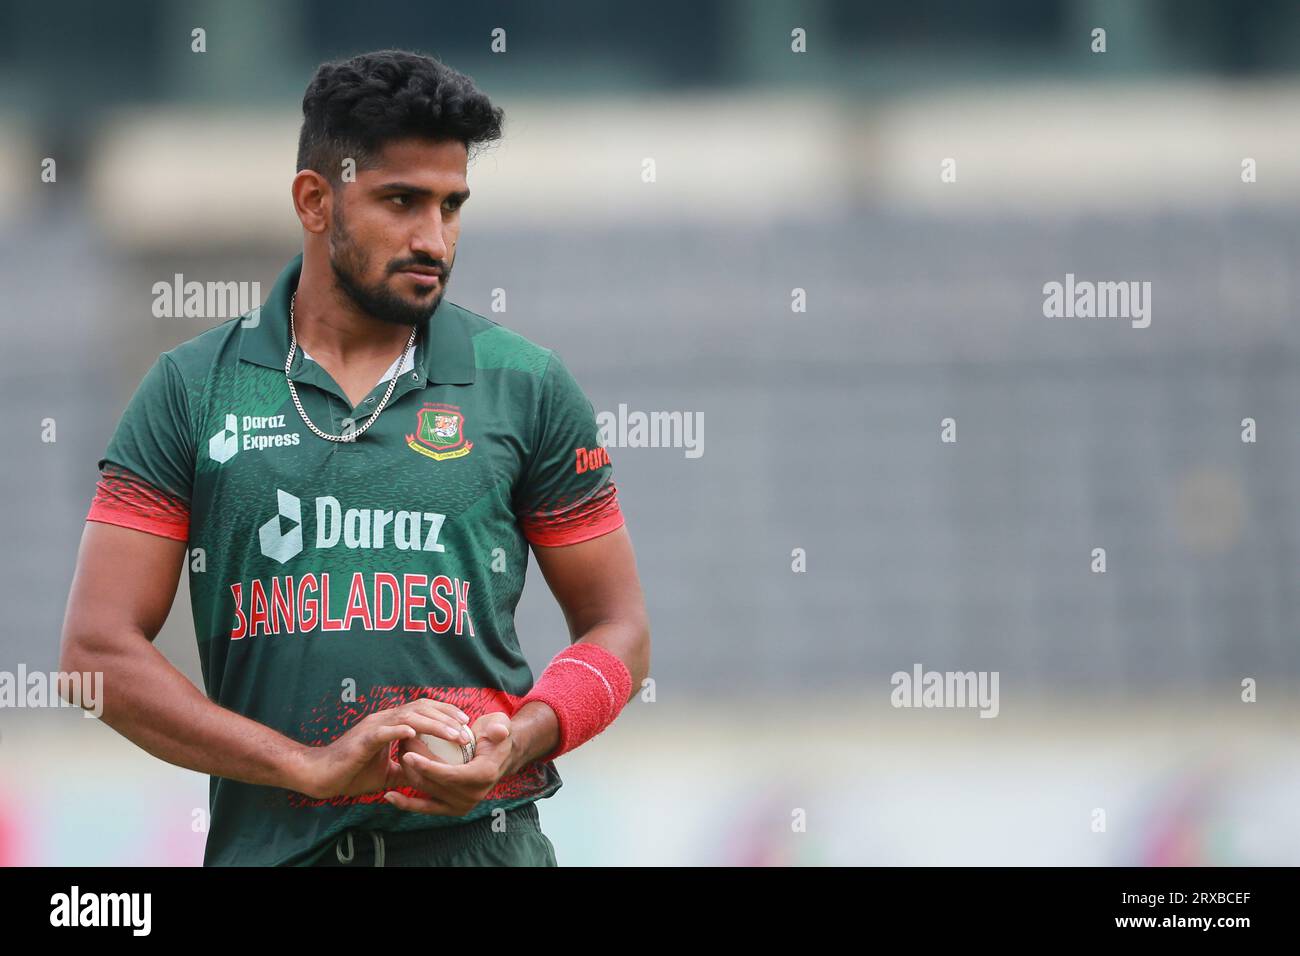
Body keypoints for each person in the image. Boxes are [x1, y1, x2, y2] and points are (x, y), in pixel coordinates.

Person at [59, 49, 650, 867]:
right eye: (401, 201)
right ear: (314, 200)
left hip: (481, 850)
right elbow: (94, 656)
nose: (432, 239)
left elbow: (619, 629)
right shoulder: (192, 388)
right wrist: (308, 767)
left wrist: (517, 740)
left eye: (451, 206)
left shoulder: (526, 384)